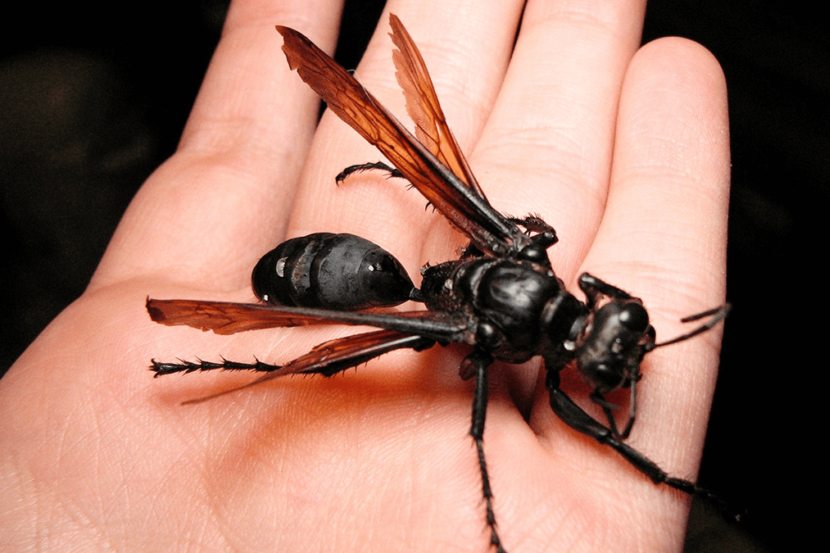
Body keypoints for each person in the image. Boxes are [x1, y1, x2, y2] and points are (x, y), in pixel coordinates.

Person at [0, 0, 730, 550]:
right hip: (386, 289)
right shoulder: (490, 328)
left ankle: (227, 356)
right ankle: (229, 358)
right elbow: (504, 385)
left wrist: (513, 232)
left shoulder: (518, 251)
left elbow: (528, 248)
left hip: (413, 274)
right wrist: (491, 459)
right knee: (343, 347)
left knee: (376, 298)